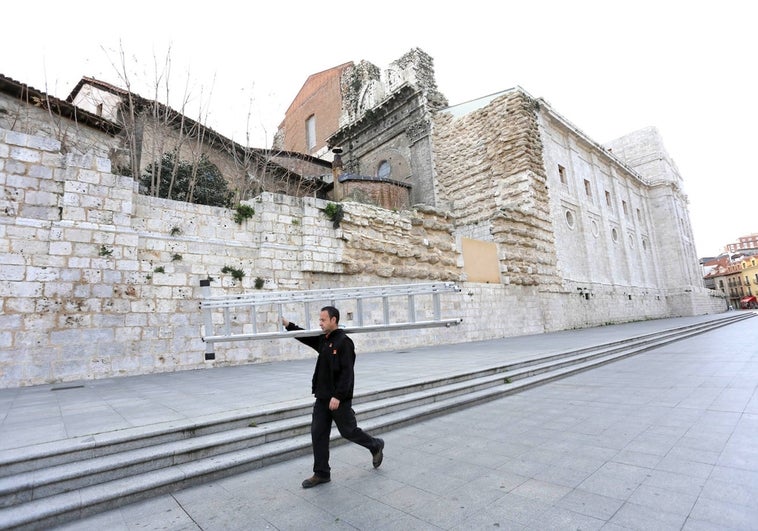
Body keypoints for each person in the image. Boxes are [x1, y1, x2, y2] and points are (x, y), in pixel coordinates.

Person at [282, 306, 385, 488]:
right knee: (318, 434)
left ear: (334, 320)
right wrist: (288, 325)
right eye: (320, 320)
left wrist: (338, 396)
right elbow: (306, 336)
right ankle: (321, 473)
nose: (320, 323)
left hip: (339, 400)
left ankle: (375, 445)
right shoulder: (323, 340)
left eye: (323, 320)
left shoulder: (344, 343)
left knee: (348, 431)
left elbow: (347, 373)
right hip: (322, 398)